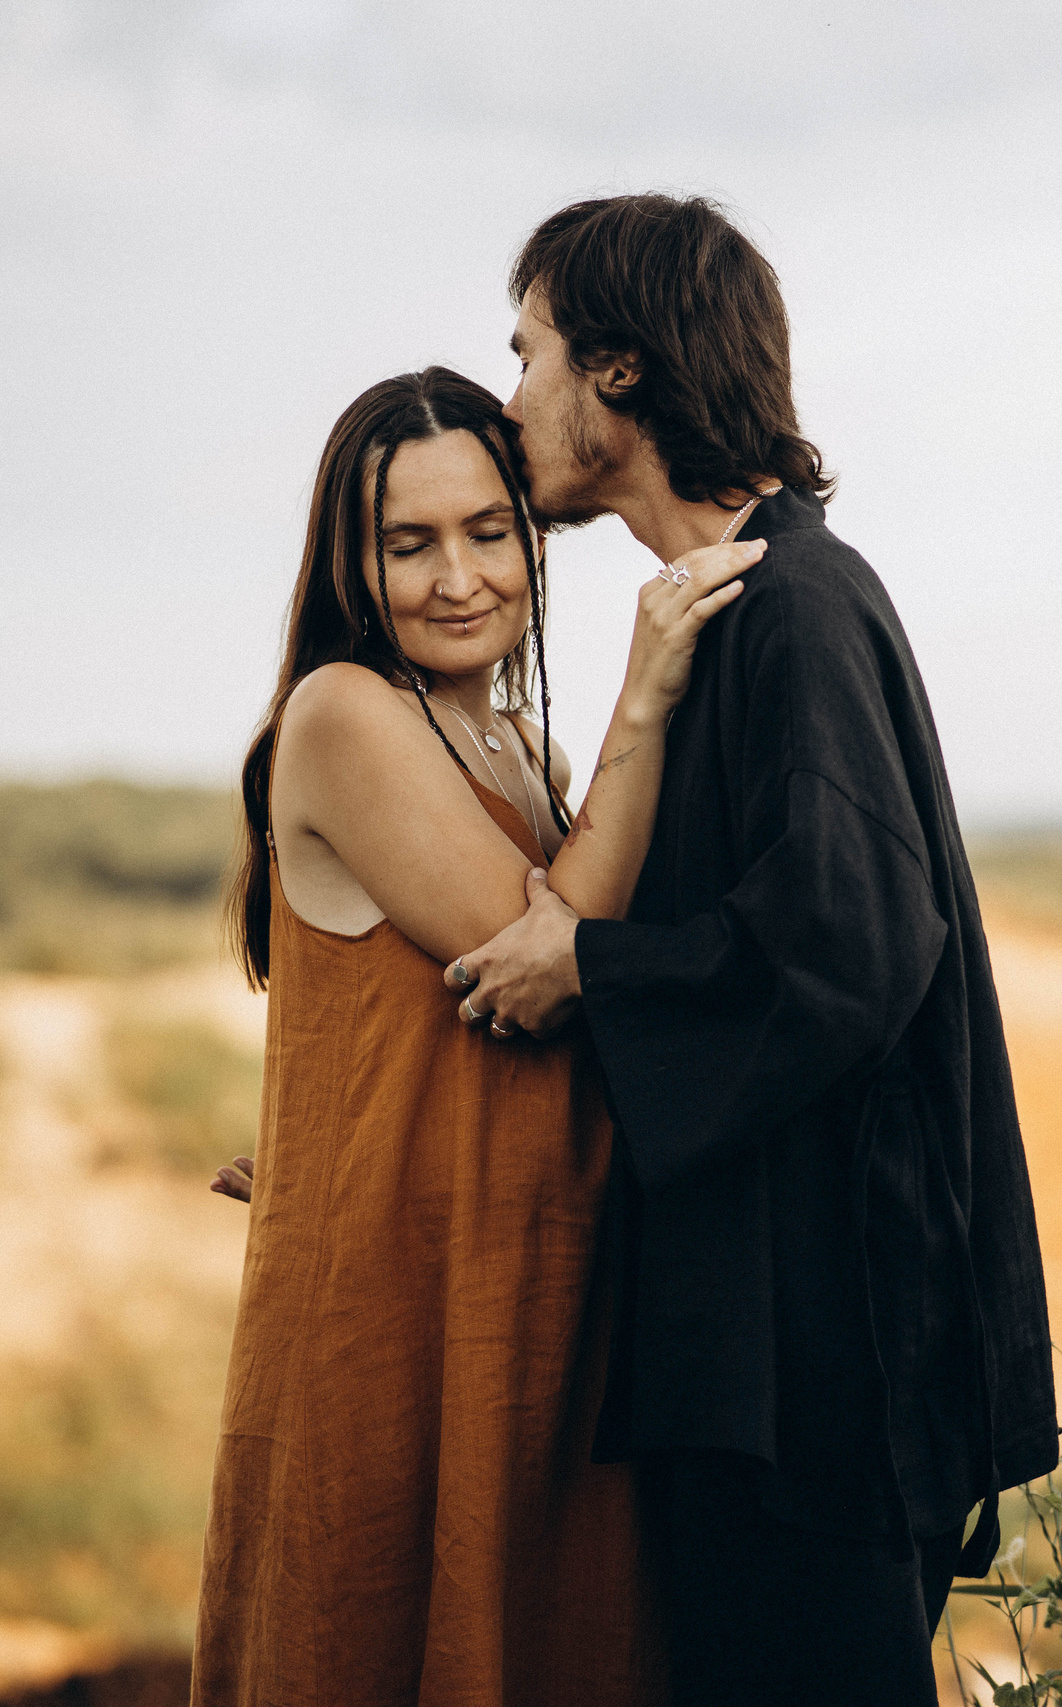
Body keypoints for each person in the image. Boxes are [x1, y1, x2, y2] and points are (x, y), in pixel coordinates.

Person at [446, 194, 1059, 1705]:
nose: (511, 396)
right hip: (772, 1361)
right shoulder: (734, 608)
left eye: (529, 355)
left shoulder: (794, 607)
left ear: (622, 374)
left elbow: (848, 944)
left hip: (830, 1376)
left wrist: (584, 968)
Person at [193, 365, 760, 1705]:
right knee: (379, 1639)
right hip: (402, 1308)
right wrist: (647, 698)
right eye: (410, 543)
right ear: (353, 562)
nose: (458, 578)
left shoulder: (520, 751)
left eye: (487, 533)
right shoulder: (342, 718)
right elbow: (553, 961)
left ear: (529, 540)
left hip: (527, 1292)